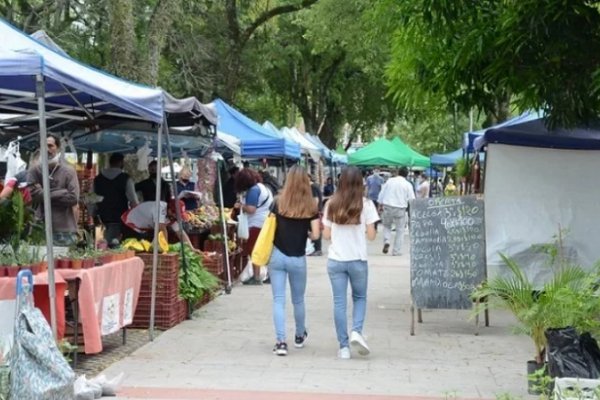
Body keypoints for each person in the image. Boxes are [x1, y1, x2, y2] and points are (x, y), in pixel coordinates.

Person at [323, 166, 379, 359]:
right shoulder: (367, 205)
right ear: (360, 183)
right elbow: (371, 236)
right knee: (360, 298)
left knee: (339, 302)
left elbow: (326, 234)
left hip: (336, 259)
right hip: (358, 259)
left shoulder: (331, 203)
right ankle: (356, 331)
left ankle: (344, 347)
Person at [269, 165, 320, 356]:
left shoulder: (277, 202)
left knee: (278, 300)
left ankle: (281, 342)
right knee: (298, 300)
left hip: (277, 255)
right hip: (298, 257)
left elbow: (270, 228)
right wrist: (304, 232)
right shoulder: (311, 206)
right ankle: (299, 335)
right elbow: (315, 235)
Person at [28, 135, 80, 246]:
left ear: (58, 148)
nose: (47, 149)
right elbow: (33, 195)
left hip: (64, 230)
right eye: (44, 146)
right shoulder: (34, 171)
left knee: (64, 262)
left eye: (50, 146)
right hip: (40, 228)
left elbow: (73, 198)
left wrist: (44, 194)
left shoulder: (69, 171)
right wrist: (61, 192)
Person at [234, 168, 273, 285]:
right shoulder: (263, 187)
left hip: (256, 224)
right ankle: (270, 275)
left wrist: (240, 205)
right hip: (265, 222)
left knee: (254, 250)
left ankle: (256, 277)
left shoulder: (253, 190)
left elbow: (251, 209)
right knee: (264, 250)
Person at [94, 152, 139, 245]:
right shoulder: (125, 179)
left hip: (100, 220)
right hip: (119, 219)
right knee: (115, 248)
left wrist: (93, 214)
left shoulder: (97, 179)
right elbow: (133, 201)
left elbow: (91, 200)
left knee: (100, 247)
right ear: (121, 163)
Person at [121, 199, 197, 250]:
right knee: (133, 251)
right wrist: (165, 250)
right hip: (130, 225)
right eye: (177, 215)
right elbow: (162, 229)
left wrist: (192, 249)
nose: (178, 217)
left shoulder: (172, 217)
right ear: (170, 210)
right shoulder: (159, 208)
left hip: (144, 228)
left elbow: (181, 233)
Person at [377, 166, 415, 256]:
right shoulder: (407, 184)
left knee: (386, 226)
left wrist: (379, 204)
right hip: (400, 209)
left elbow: (382, 193)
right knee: (400, 230)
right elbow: (412, 199)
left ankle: (387, 240)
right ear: (407, 175)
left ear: (398, 172)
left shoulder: (390, 181)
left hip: (387, 206)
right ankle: (396, 251)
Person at [309, 176, 323, 256]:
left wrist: (312, 211)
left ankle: (317, 249)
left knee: (315, 229)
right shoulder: (316, 185)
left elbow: (315, 200)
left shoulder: (312, 187)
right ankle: (317, 249)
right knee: (316, 229)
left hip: (315, 211)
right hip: (318, 210)